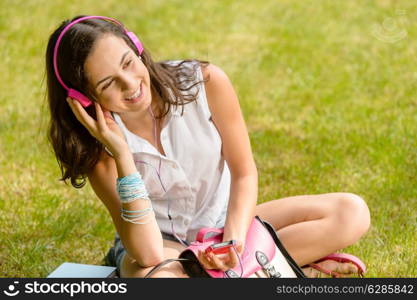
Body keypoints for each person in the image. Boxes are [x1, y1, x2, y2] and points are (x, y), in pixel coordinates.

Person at [45, 15, 371, 278]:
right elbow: (148, 253)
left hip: (228, 225)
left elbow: (244, 174)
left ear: (136, 46)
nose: (130, 85)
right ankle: (273, 268)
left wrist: (234, 239)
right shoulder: (98, 150)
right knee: (157, 280)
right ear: (84, 98)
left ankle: (244, 268)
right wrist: (122, 154)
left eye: (128, 63)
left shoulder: (206, 82)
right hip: (163, 248)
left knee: (351, 213)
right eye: (107, 84)